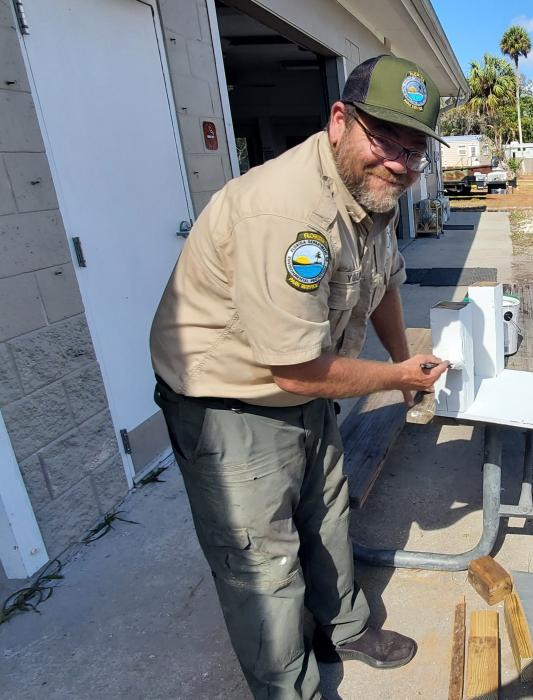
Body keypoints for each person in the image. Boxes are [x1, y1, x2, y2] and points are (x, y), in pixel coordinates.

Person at [149, 55, 450, 700]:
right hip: (229, 403)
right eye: (385, 140)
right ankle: (292, 688)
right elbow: (291, 370)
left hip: (308, 383)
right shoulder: (289, 215)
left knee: (328, 512)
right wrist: (395, 373)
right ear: (339, 120)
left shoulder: (374, 195)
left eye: (414, 149)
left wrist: (403, 369)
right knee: (265, 564)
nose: (399, 161)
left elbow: (384, 283)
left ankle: (343, 626)